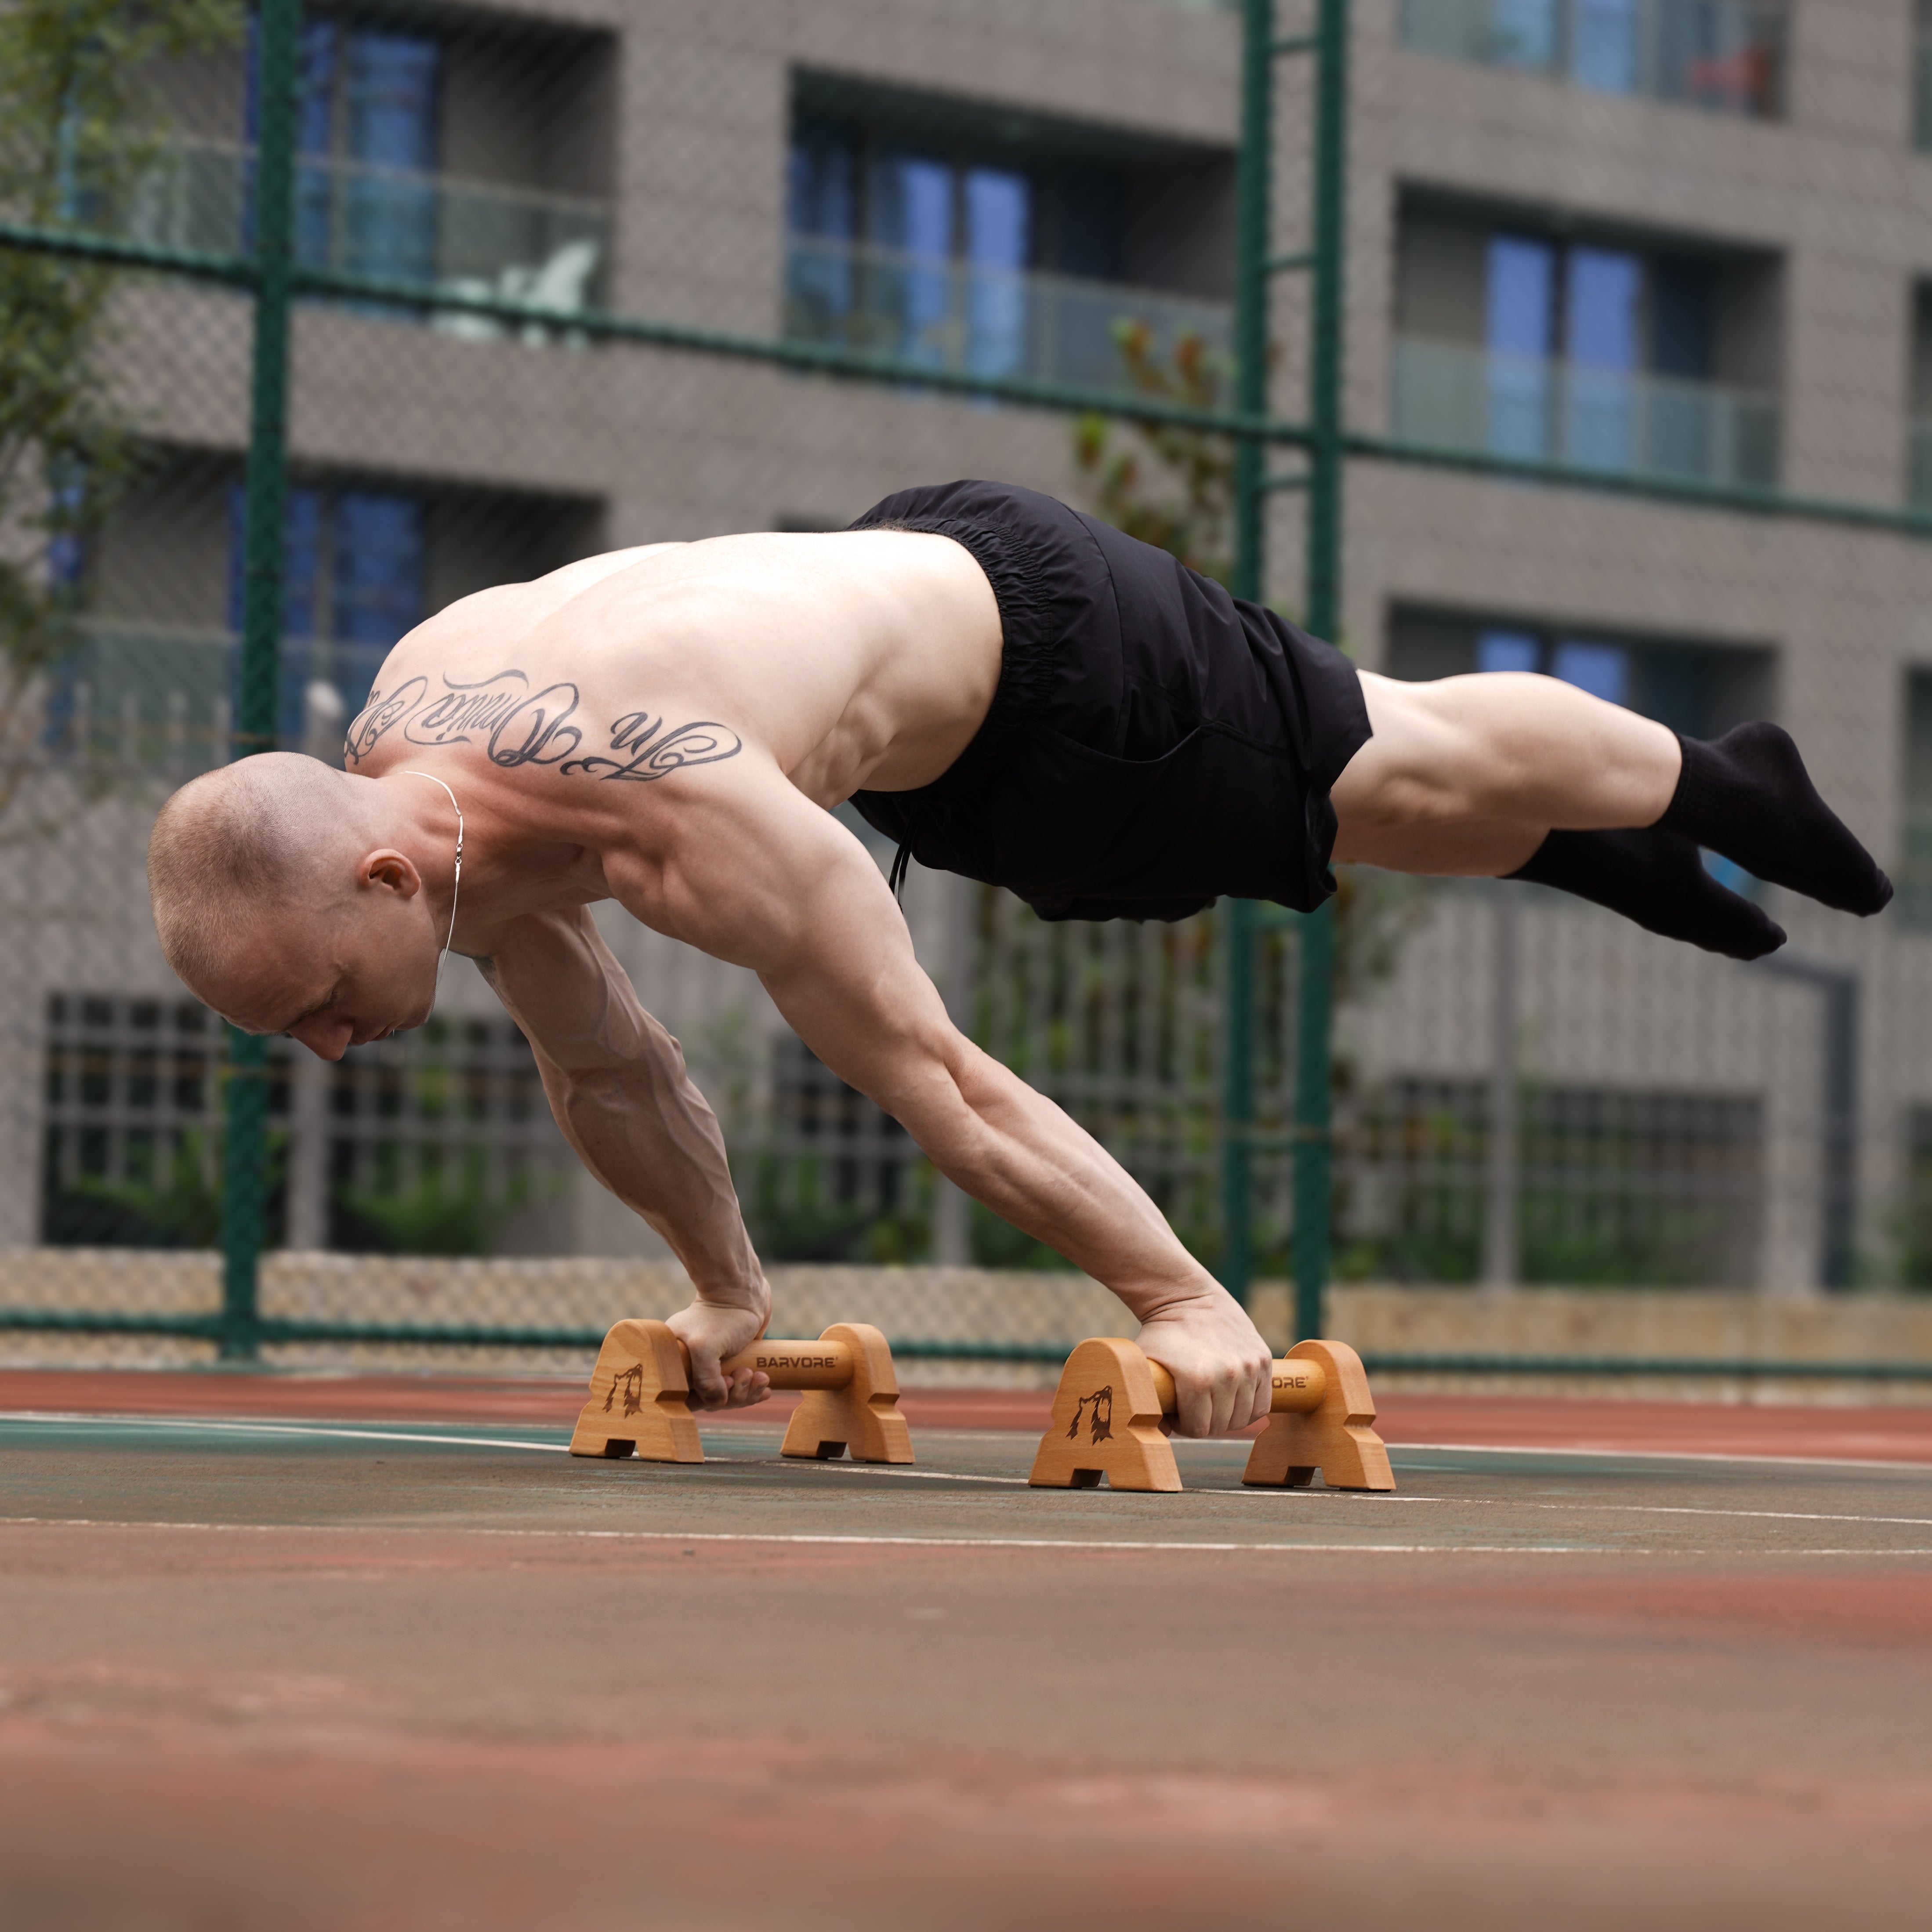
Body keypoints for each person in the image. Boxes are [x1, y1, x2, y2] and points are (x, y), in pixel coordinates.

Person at [145, 480, 1891, 1435]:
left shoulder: (675, 806)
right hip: (938, 746)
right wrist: (728, 1294)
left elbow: (943, 1082)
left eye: (315, 1003)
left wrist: (1179, 1303)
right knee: (1322, 838)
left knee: (1390, 762)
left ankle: (1711, 777)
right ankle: (1618, 862)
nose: (321, 1044)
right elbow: (605, 1061)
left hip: (1051, 650)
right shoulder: (425, 794)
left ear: (381, 877)